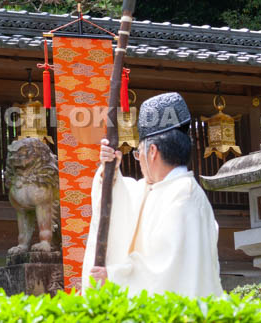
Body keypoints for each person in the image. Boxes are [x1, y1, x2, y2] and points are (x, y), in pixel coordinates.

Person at [81, 92, 222, 297]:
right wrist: (109, 173)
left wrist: (113, 277)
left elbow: (166, 271)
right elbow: (125, 200)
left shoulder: (183, 197)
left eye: (138, 154)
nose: (139, 160)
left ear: (152, 152)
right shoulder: (167, 189)